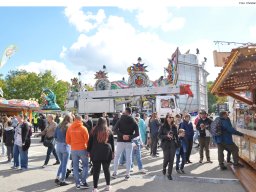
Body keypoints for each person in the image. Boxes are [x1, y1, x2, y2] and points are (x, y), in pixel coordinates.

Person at [88, 117, 115, 192]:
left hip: (95, 153)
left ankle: (95, 188)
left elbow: (89, 142)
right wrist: (113, 152)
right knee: (106, 169)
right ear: (106, 122)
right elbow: (112, 143)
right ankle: (108, 186)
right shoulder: (109, 130)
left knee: (96, 171)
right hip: (106, 153)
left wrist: (88, 151)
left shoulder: (93, 130)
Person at [112, 107, 139, 180]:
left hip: (120, 141)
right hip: (129, 142)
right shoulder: (134, 121)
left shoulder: (121, 119)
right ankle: (127, 174)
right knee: (129, 158)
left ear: (126, 112)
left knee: (117, 157)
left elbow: (114, 129)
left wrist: (122, 135)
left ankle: (115, 173)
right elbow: (137, 134)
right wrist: (129, 136)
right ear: (130, 113)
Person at [66, 115, 90, 189]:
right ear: (80, 120)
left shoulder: (70, 128)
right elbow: (87, 140)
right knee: (85, 165)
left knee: (75, 167)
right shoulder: (83, 128)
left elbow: (67, 140)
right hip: (82, 149)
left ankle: (77, 184)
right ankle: (83, 181)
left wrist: (73, 144)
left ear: (74, 119)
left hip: (73, 149)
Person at [158, 115, 178, 180]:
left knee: (171, 160)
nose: (171, 118)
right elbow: (159, 136)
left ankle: (169, 174)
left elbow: (176, 136)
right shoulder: (163, 126)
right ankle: (164, 168)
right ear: (166, 118)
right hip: (165, 144)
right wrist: (166, 136)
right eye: (169, 117)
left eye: (172, 117)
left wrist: (177, 141)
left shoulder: (174, 126)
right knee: (166, 159)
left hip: (173, 144)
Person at [54, 114, 72, 186]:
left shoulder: (58, 125)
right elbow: (70, 137)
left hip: (58, 146)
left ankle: (57, 177)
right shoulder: (69, 126)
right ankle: (62, 180)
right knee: (64, 164)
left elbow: (55, 136)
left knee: (62, 163)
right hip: (65, 146)